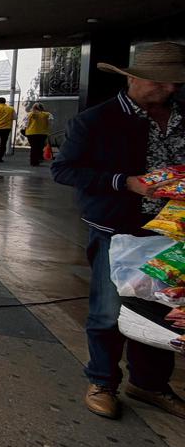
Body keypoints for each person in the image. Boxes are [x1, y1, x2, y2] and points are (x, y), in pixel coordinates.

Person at [52, 42, 185, 421]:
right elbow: (64, 170)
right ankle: (102, 380)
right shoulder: (96, 120)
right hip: (118, 230)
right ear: (133, 77)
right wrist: (124, 182)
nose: (171, 90)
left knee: (163, 307)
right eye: (162, 82)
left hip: (173, 231)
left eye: (176, 83)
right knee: (108, 310)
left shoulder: (180, 117)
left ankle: (149, 383)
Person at [25, 102, 53, 167]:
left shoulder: (29, 114)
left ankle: (33, 162)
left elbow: (26, 124)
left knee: (33, 147)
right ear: (42, 108)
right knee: (39, 147)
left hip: (31, 133)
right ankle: (37, 160)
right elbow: (51, 122)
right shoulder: (48, 114)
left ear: (33, 107)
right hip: (42, 133)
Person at [0, 96, 16, 162]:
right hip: (6, 128)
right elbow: (15, 117)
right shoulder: (11, 109)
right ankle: (0, 157)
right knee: (3, 143)